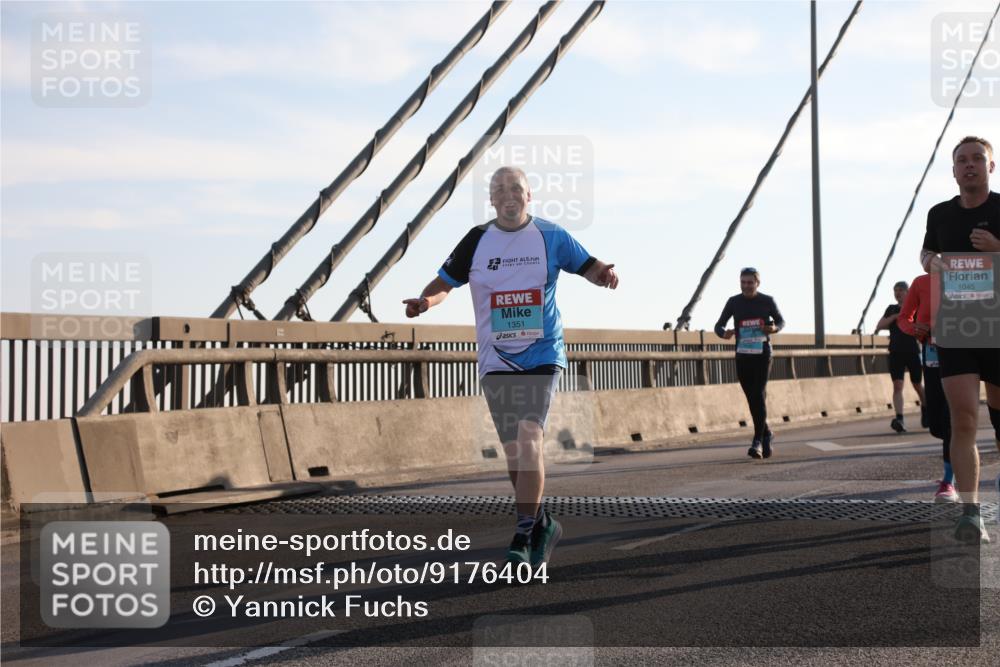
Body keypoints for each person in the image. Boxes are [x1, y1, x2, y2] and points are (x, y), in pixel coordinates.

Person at [403, 166, 619, 567]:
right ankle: (541, 523)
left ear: (529, 195)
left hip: (541, 352)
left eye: (515, 188)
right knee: (513, 451)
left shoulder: (551, 236)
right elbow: (444, 282)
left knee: (529, 436)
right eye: (499, 189)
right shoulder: (476, 240)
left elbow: (586, 264)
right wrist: (424, 302)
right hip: (495, 357)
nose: (508, 195)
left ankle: (522, 534)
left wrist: (603, 273)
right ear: (490, 200)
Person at [920, 135, 1000, 544]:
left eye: (976, 159)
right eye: (961, 161)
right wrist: (930, 261)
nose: (969, 165)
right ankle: (971, 512)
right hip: (957, 327)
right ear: (953, 171)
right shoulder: (939, 214)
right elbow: (925, 253)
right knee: (964, 418)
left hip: (999, 328)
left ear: (991, 166)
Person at [897, 270, 956, 502]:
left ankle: (949, 480)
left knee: (952, 420)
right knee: (937, 425)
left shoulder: (967, 274)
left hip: (961, 352)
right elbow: (904, 318)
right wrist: (915, 330)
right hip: (931, 353)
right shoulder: (921, 283)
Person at [714, 268, 785, 459]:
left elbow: (781, 321)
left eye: (749, 283)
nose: (746, 286)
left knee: (758, 394)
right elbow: (718, 325)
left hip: (762, 354)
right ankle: (767, 432)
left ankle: (757, 441)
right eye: (743, 282)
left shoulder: (767, 301)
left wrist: (773, 328)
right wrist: (724, 333)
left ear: (757, 283)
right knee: (751, 397)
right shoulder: (734, 302)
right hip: (743, 354)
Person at [875, 281, 926, 433]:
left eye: (901, 290)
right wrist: (896, 316)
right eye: (895, 290)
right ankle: (899, 418)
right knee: (898, 385)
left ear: (908, 292)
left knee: (917, 384)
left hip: (912, 351)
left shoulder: (915, 307)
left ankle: (925, 408)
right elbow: (880, 325)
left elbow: (923, 324)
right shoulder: (891, 309)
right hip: (896, 352)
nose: (897, 293)